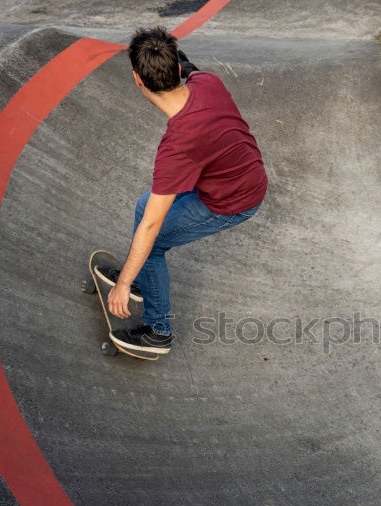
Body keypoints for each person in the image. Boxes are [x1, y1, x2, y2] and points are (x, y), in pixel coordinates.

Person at [97, 27, 268, 354]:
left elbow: (151, 227)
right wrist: (167, 50)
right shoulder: (208, 83)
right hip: (240, 175)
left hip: (231, 202)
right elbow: (191, 66)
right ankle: (140, 280)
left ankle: (158, 330)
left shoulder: (177, 149)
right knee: (144, 204)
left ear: (138, 80)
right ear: (176, 69)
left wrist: (118, 288)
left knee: (154, 242)